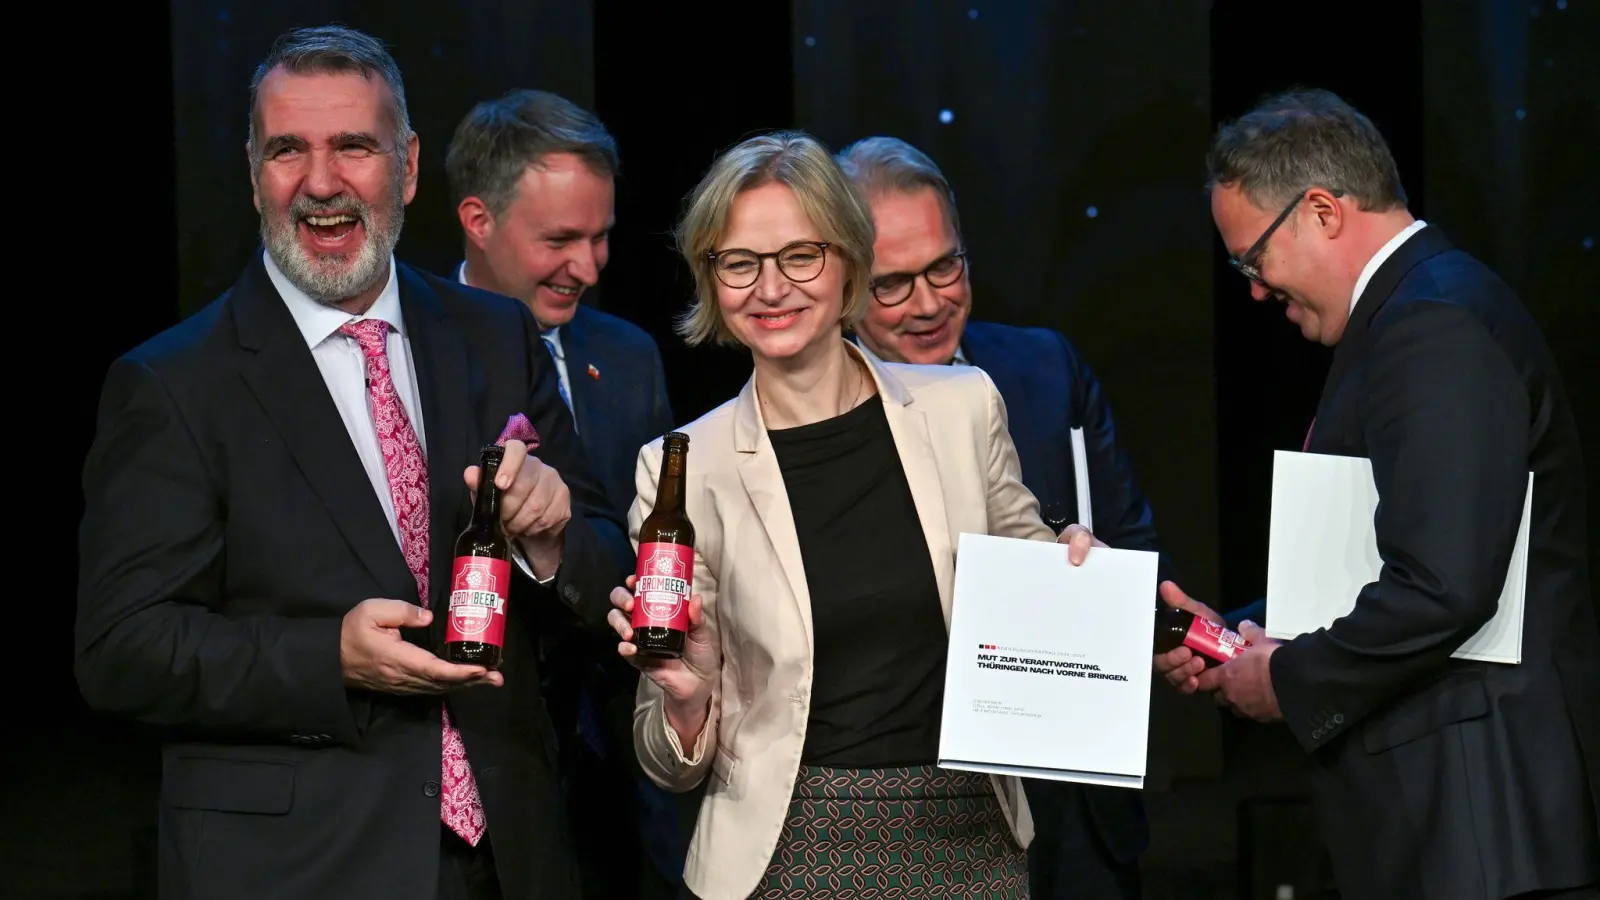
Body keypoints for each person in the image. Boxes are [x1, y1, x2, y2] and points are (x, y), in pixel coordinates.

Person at [74, 25, 631, 900]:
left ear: (405, 167)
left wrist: (553, 539)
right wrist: (327, 656)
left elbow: (611, 579)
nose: (322, 182)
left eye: (354, 147)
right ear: (255, 171)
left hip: (513, 855)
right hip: (296, 868)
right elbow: (121, 649)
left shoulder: (495, 339)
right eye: (289, 149)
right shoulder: (174, 383)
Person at [602, 130, 1102, 900]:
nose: (771, 288)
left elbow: (1033, 591)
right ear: (712, 278)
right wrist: (687, 696)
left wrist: (1070, 571)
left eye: (800, 255)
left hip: (970, 837)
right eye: (740, 263)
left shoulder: (963, 408)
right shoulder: (681, 468)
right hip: (790, 851)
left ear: (849, 261)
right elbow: (667, 763)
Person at [1158, 88, 1600, 900]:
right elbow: (1395, 557)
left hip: (1479, 832)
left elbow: (1442, 586)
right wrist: (1250, 636)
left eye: (1252, 260)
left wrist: (1285, 679)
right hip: (1459, 826)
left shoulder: (1432, 325)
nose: (1253, 290)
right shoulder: (1419, 312)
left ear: (1322, 210)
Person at [836, 135, 1166, 899]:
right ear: (846, 286)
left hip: (1073, 807)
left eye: (944, 266)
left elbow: (1135, 547)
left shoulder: (1044, 368)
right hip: (917, 816)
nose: (928, 303)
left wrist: (1100, 580)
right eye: (892, 284)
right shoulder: (815, 420)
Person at [444, 88, 683, 899]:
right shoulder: (415, 360)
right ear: (478, 220)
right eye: (560, 239)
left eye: (602, 236)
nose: (587, 266)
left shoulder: (627, 354)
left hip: (626, 757)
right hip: (491, 764)